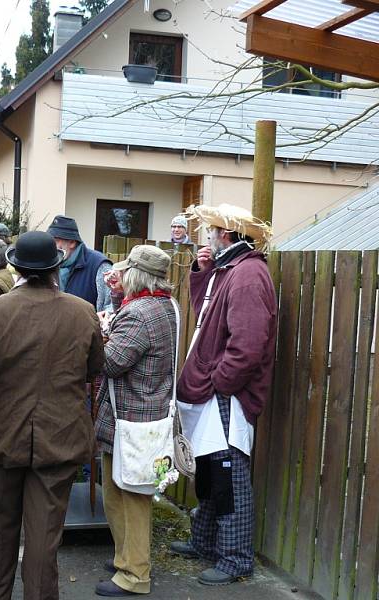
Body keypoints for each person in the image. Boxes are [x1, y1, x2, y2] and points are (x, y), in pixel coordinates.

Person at [0, 231, 104, 600]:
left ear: (16, 267)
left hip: (0, 435)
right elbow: (95, 367)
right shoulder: (83, 312)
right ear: (54, 269)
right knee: (45, 539)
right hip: (59, 437)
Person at [170, 204, 276, 586]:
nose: (207, 237)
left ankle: (235, 559)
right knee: (212, 474)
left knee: (229, 475)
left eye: (212, 231)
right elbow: (206, 315)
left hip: (226, 393)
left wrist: (222, 382)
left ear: (227, 236)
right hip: (216, 389)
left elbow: (247, 344)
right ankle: (206, 542)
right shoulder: (229, 270)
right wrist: (202, 272)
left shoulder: (247, 275)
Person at [93, 245, 177, 597]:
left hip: (129, 418)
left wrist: (99, 332)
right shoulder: (164, 306)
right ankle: (126, 559)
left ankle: (134, 574)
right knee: (126, 493)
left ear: (137, 275)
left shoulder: (138, 312)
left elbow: (110, 363)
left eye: (126, 271)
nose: (120, 275)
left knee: (127, 497)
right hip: (148, 414)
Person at [47, 215, 114, 312]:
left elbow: (110, 307)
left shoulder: (99, 265)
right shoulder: (48, 264)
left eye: (55, 241)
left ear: (72, 243)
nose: (51, 246)